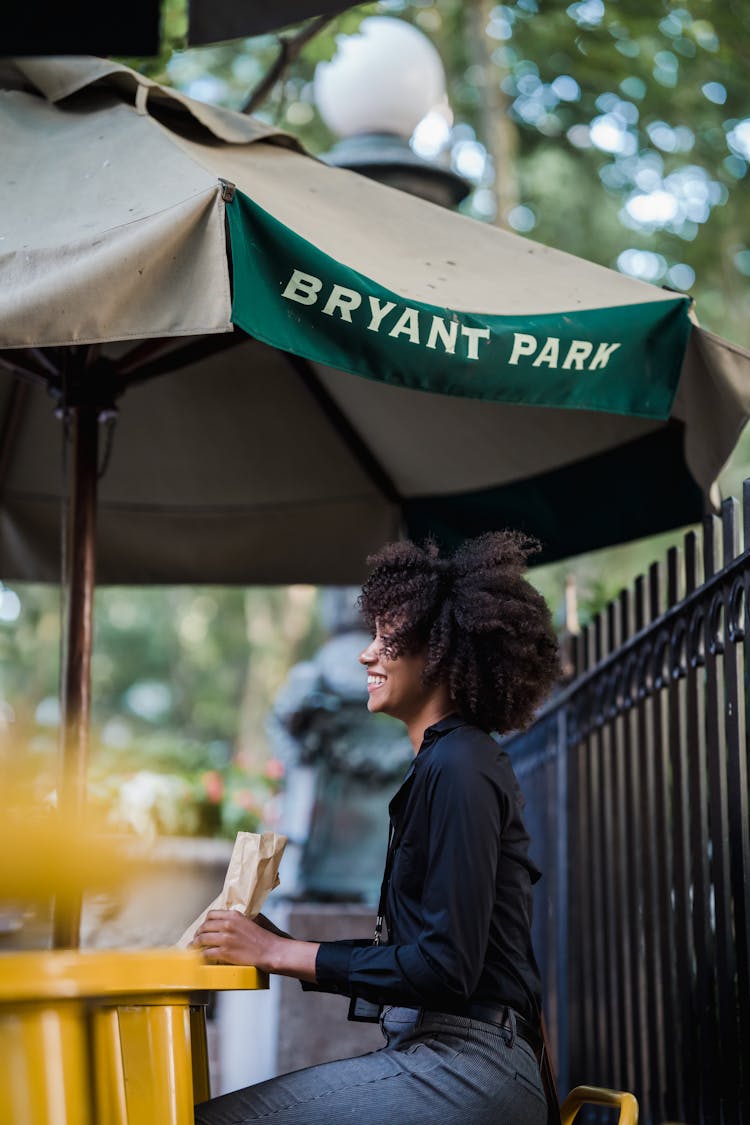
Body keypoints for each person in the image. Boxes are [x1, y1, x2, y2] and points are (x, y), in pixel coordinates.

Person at [194, 532, 560, 1125]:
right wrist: (275, 942)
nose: (366, 655)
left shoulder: (461, 767)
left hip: (472, 1069)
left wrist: (285, 952)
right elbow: (428, 956)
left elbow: (445, 967)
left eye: (386, 637)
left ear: (439, 650)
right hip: (442, 1054)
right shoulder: (444, 764)